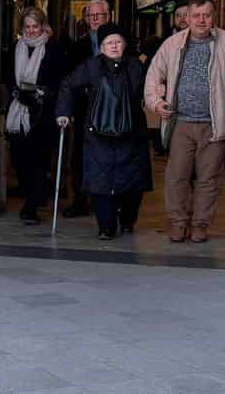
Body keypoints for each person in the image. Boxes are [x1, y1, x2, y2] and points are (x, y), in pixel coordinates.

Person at [144, 0, 225, 243]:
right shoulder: (172, 44)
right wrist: (156, 102)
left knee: (208, 179)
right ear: (187, 18)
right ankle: (178, 223)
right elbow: (153, 75)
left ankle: (200, 224)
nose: (201, 20)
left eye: (207, 15)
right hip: (180, 122)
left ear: (214, 17)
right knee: (176, 176)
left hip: (215, 124)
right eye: (196, 16)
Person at [54, 24, 152, 239]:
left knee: (133, 184)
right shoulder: (91, 67)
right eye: (109, 42)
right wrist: (63, 112)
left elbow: (151, 89)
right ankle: (105, 226)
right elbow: (68, 85)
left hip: (131, 134)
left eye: (118, 41)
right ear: (101, 46)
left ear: (124, 44)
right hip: (98, 135)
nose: (114, 46)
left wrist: (158, 96)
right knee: (100, 183)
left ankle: (127, 220)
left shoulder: (136, 66)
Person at [0, 6, 67, 224]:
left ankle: (32, 203)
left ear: (43, 26)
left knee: (38, 160)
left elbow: (58, 80)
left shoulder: (52, 49)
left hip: (41, 114)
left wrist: (40, 93)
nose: (30, 31)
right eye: (27, 26)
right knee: (19, 159)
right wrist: (16, 92)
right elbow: (7, 76)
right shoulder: (16, 47)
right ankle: (31, 195)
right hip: (18, 112)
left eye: (35, 26)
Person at [61, 0, 112, 216]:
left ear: (107, 17)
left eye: (98, 16)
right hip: (84, 109)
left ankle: (109, 200)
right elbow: (69, 79)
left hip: (111, 110)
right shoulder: (78, 46)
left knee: (111, 155)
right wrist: (68, 110)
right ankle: (79, 200)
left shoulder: (118, 43)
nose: (94, 20)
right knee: (79, 155)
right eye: (90, 16)